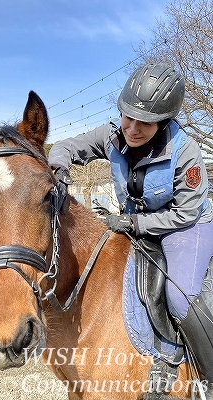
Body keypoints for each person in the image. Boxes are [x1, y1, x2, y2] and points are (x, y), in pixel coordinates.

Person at [48, 63, 213, 396]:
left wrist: (134, 222)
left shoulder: (186, 154)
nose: (133, 129)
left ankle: (203, 375)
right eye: (128, 117)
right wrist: (58, 167)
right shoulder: (112, 133)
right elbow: (65, 147)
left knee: (181, 299)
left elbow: (185, 213)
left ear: (163, 122)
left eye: (145, 123)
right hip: (131, 224)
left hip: (185, 226)